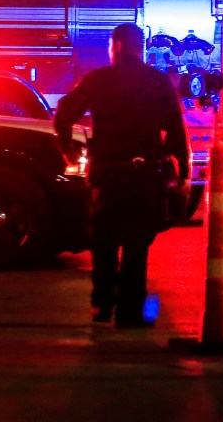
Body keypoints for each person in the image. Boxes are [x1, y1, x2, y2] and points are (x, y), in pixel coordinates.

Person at [54, 23, 190, 327]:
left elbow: (64, 113)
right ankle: (130, 312)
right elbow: (177, 131)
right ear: (139, 48)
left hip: (108, 174)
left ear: (115, 47)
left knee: (103, 242)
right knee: (136, 246)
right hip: (145, 176)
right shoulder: (157, 81)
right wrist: (183, 173)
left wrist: (69, 152)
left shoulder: (99, 80)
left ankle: (102, 305)